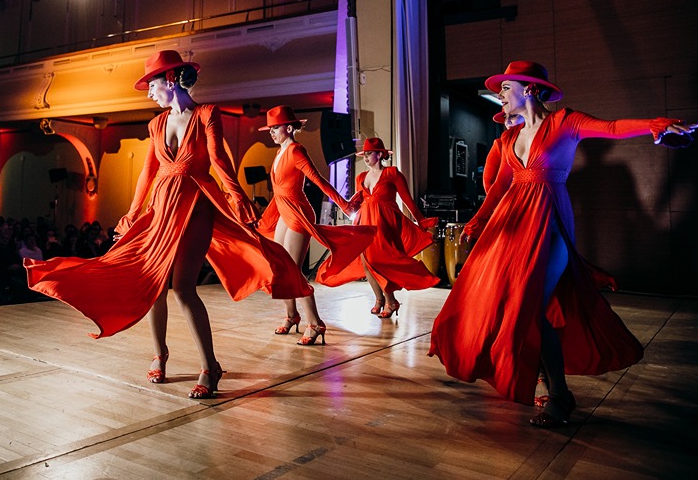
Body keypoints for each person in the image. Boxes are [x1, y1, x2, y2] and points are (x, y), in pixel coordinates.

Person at [25, 50, 312, 399]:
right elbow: (148, 172)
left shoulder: (207, 114)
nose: (148, 93)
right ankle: (160, 353)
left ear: (171, 80)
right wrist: (133, 213)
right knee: (153, 284)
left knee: (184, 288)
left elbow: (219, 160)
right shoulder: (156, 124)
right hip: (161, 206)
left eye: (152, 85)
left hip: (194, 206)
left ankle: (210, 366)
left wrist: (237, 197)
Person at [428, 60, 696, 428]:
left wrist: (654, 125)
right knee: (507, 304)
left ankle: (559, 394)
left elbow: (612, 128)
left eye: (505, 87)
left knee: (531, 306)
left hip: (549, 221)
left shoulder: (565, 122)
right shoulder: (508, 139)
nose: (500, 94)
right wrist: (477, 221)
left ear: (529, 88)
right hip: (511, 224)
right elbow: (500, 187)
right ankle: (545, 382)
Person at [255, 105, 375, 345]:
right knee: (279, 268)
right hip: (282, 211)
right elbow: (279, 192)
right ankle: (291, 315)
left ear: (289, 128)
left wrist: (343, 204)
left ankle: (315, 323)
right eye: (270, 129)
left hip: (298, 212)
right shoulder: (279, 152)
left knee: (292, 271)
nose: (272, 133)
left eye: (275, 128)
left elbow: (319, 180)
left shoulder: (296, 151)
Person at [315, 137, 439, 318]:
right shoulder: (360, 177)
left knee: (379, 261)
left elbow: (407, 200)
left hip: (386, 223)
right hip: (365, 223)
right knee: (366, 263)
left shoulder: (392, 174)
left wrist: (421, 221)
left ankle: (391, 301)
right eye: (364, 154)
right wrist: (347, 206)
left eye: (368, 154)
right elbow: (359, 202)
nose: (365, 158)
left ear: (379, 155)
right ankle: (380, 299)